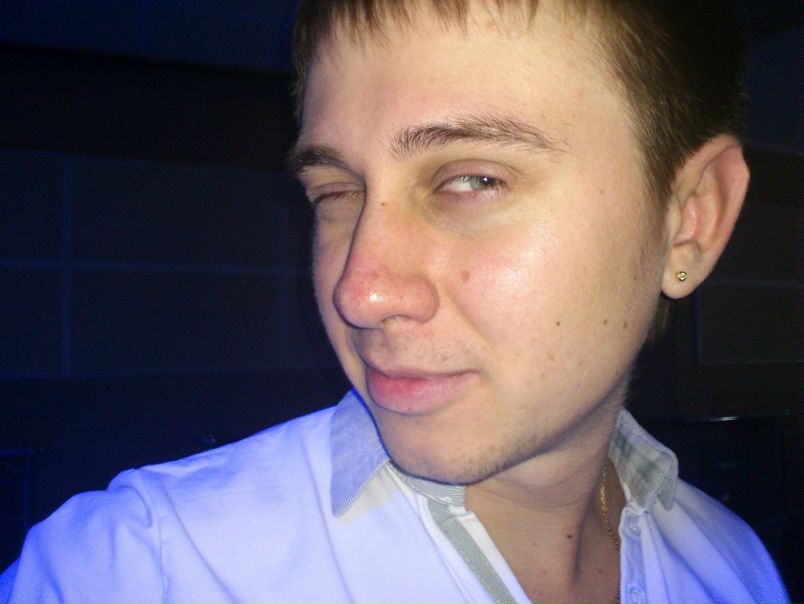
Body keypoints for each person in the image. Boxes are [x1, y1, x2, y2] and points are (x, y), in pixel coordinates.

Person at [0, 0, 790, 602]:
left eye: (472, 179)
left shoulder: (734, 569)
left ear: (689, 221)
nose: (360, 291)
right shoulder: (143, 569)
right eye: (336, 192)